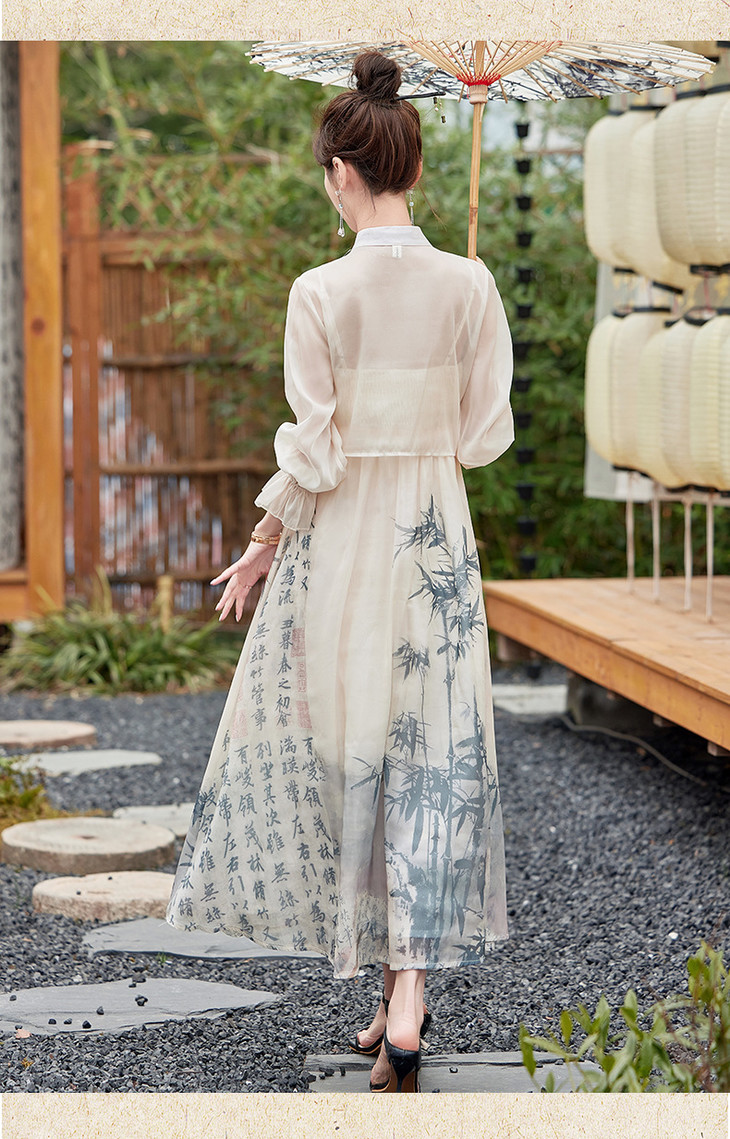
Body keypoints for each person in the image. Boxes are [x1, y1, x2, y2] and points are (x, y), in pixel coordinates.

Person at [166, 49, 514, 1094]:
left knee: (351, 751)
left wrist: (262, 543)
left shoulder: (319, 290)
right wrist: (458, 326)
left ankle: (397, 987)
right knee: (430, 755)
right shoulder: (469, 282)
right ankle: (404, 995)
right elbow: (481, 436)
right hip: (432, 541)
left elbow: (314, 452)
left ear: (341, 171)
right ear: (413, 166)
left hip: (346, 545)